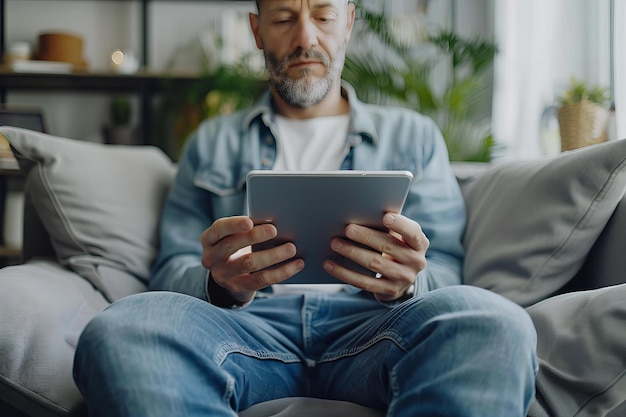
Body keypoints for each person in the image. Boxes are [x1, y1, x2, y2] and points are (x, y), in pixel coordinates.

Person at [73, 1, 537, 416]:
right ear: (257, 31)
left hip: (375, 329)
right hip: (245, 330)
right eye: (282, 18)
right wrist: (219, 285)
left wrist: (408, 282)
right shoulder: (211, 143)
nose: (305, 38)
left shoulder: (413, 137)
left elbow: (446, 270)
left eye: (323, 15)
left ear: (349, 23)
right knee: (122, 328)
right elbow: (171, 270)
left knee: (495, 322)